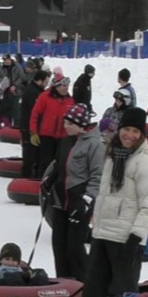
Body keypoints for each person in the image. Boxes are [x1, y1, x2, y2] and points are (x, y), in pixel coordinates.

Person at [83, 106, 148, 297]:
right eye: (126, 129)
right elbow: (106, 195)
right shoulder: (112, 155)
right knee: (94, 291)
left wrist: (136, 238)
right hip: (103, 234)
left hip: (126, 240)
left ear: (142, 134)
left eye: (135, 131)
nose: (129, 135)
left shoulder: (146, 162)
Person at [39, 103, 102, 282]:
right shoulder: (66, 141)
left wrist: (87, 199)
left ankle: (84, 285)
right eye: (65, 122)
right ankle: (63, 282)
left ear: (81, 124)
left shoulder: (95, 144)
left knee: (74, 248)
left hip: (79, 202)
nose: (65, 126)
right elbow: (59, 165)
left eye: (70, 123)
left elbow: (98, 175)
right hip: (60, 201)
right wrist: (49, 180)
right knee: (58, 245)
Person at [29, 74, 75, 175]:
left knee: (59, 163)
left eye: (67, 86)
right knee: (45, 162)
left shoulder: (70, 100)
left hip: (62, 137)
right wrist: (33, 132)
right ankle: (41, 181)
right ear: (57, 87)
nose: (66, 88)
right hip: (46, 136)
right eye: (64, 86)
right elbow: (35, 114)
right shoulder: (44, 97)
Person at [18, 70, 50, 178]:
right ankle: (26, 177)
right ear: (40, 80)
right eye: (46, 81)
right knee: (29, 156)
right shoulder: (33, 92)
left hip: (33, 127)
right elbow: (36, 111)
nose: (47, 84)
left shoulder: (37, 91)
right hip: (29, 128)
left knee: (34, 154)